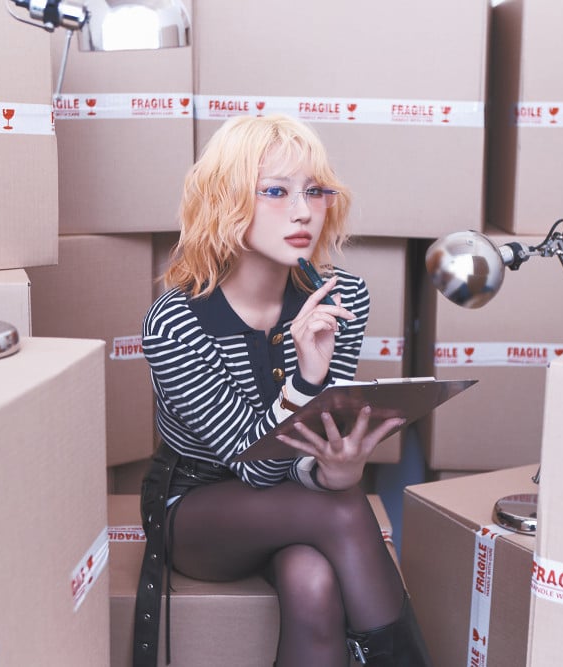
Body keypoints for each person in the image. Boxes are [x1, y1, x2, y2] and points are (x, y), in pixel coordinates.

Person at [134, 114, 432, 667]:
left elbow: (318, 440)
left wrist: (332, 470)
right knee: (341, 510)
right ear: (225, 202)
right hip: (196, 508)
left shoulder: (342, 298)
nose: (303, 211)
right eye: (276, 191)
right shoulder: (175, 323)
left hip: (300, 497)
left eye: (314, 192)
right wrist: (307, 379)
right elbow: (254, 468)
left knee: (312, 579)